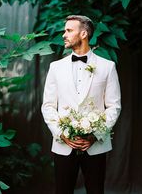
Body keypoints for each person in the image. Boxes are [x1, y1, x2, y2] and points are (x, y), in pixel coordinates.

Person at [41, 15, 121, 194]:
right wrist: (62, 134)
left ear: (84, 33)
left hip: (95, 145)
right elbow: (48, 106)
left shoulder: (107, 67)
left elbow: (114, 106)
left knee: (95, 191)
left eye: (69, 30)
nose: (64, 35)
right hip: (63, 145)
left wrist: (95, 134)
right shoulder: (55, 67)